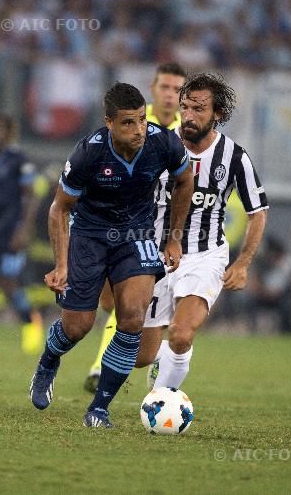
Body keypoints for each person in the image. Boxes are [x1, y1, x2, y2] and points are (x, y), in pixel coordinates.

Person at [29, 82, 194, 428]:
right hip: (89, 236)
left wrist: (174, 239)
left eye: (140, 120)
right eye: (127, 123)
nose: (138, 131)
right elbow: (59, 209)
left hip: (136, 236)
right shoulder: (87, 154)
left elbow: (185, 180)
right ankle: (48, 361)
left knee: (132, 318)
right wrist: (61, 265)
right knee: (78, 326)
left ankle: (99, 408)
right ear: (109, 123)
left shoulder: (163, 142)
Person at [135, 73, 268, 391]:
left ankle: (163, 398)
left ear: (217, 114)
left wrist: (243, 263)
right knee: (142, 355)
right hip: (157, 254)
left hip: (205, 255)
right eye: (185, 108)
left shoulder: (235, 157)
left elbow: (257, 213)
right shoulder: (159, 145)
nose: (189, 116)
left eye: (198, 109)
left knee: (181, 334)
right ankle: (161, 362)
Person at [84, 63, 187, 392]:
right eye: (165, 88)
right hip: (130, 226)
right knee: (112, 302)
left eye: (177, 90)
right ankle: (130, 358)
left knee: (167, 306)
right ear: (154, 90)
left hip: (174, 232)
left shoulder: (190, 130)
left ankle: (109, 366)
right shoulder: (136, 125)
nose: (171, 96)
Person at [0, 113, 43, 358]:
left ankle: (30, 321)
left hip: (10, 229)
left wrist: (23, 229)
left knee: (7, 284)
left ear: (8, 133)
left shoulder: (19, 160)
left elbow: (31, 196)